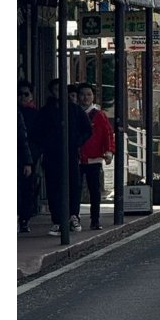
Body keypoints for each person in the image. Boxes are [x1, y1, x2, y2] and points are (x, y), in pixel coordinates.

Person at [38, 77, 93, 233]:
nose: (58, 93)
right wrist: (46, 145)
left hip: (70, 153)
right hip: (51, 155)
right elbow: (37, 133)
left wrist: (76, 142)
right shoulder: (46, 112)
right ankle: (57, 220)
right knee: (54, 187)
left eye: (61, 90)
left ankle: (73, 216)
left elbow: (87, 130)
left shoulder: (74, 110)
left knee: (73, 185)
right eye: (56, 90)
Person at [77, 83, 115, 230]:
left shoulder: (99, 115)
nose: (85, 98)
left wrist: (109, 151)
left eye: (88, 94)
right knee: (75, 190)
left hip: (94, 159)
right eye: (82, 94)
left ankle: (95, 219)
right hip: (77, 158)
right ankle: (74, 217)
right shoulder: (74, 112)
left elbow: (108, 134)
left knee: (95, 191)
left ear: (93, 97)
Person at [18, 84, 39, 233]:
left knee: (26, 188)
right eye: (19, 94)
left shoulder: (34, 114)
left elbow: (23, 138)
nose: (22, 97)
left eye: (26, 94)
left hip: (27, 156)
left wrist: (30, 159)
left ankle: (24, 218)